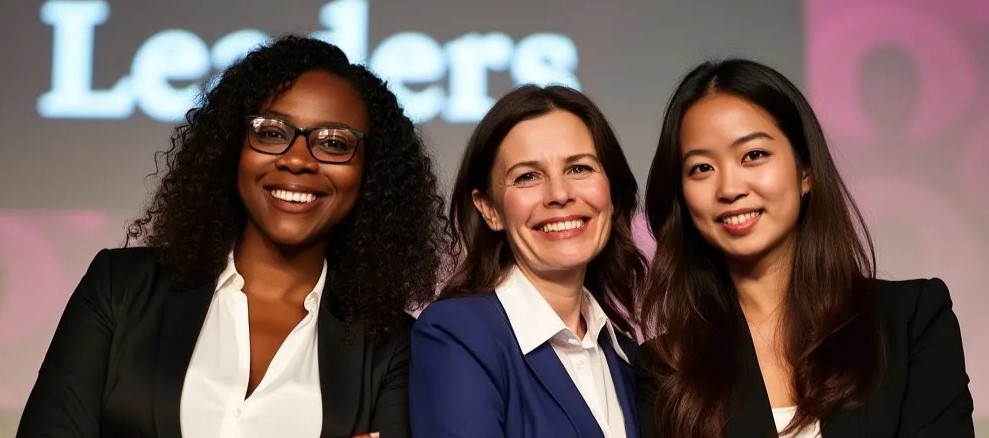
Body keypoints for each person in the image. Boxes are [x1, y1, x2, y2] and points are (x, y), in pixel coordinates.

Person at [18, 35, 447, 438]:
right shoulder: (121, 288)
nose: (297, 159)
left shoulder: (391, 347)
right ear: (232, 147)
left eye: (334, 143)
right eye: (272, 132)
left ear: (372, 174)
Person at [635, 59, 974, 437]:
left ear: (805, 171)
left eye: (754, 156)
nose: (729, 188)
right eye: (701, 168)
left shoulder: (910, 321)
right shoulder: (664, 368)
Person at [410, 85, 647, 438]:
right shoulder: (457, 334)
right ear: (489, 209)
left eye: (580, 168)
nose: (560, 194)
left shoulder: (628, 358)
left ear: (611, 192)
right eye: (527, 176)